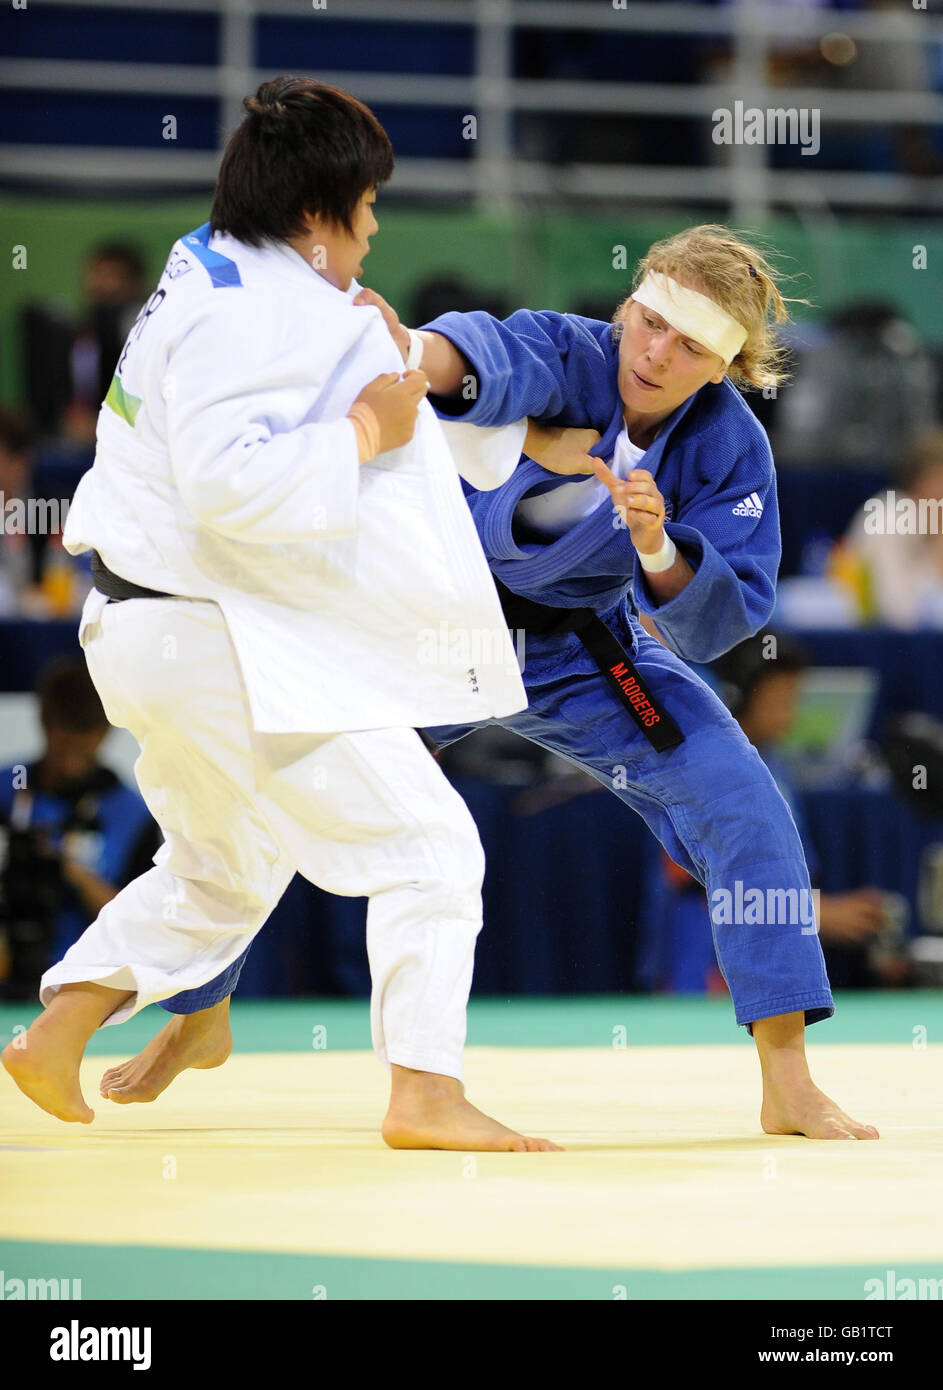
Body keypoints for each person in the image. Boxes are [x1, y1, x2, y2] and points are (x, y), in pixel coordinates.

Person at [2, 77, 560, 1154]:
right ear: (316, 214)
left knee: (231, 861)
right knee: (430, 847)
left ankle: (56, 1031)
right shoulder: (258, 310)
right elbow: (227, 482)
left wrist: (382, 379)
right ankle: (424, 1092)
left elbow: (332, 382)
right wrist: (362, 424)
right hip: (208, 637)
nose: (375, 226)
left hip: (152, 628)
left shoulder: (208, 262)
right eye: (366, 205)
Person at [355, 224, 879, 1140]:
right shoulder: (571, 350)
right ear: (626, 306)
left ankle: (787, 1077)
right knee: (281, 790)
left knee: (742, 800)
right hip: (438, 631)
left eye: (687, 346)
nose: (653, 353)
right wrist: (409, 350)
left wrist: (657, 546)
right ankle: (193, 1012)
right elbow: (481, 355)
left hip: (586, 652)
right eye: (646, 323)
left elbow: (726, 611)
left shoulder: (725, 442)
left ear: (720, 367)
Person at [0, 657, 161, 1000]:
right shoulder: (8, 792)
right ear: (44, 723)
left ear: (105, 733)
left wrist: (70, 871)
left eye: (83, 746)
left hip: (87, 988)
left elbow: (146, 923)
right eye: (63, 746)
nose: (72, 760)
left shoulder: (133, 813)